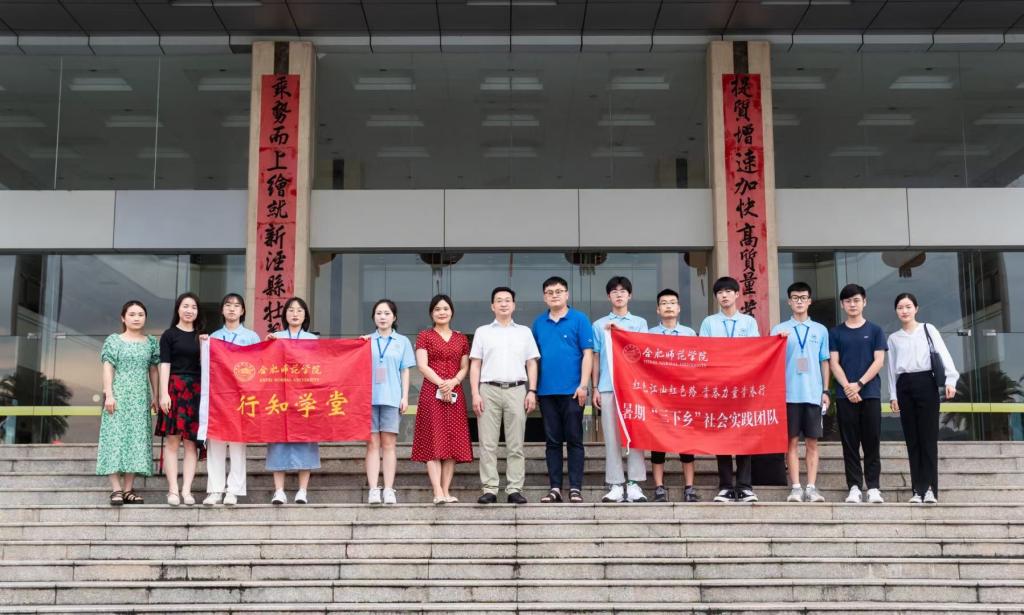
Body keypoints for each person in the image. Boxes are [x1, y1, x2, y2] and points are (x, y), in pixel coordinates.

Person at [470, 287, 540, 505]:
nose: (503, 304)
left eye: (507, 300)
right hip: (488, 390)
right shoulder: (482, 332)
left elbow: (531, 363)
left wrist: (532, 390)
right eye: (499, 300)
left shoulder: (524, 332)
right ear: (492, 306)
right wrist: (475, 393)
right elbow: (475, 364)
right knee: (487, 444)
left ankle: (514, 489)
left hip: (517, 390)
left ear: (514, 305)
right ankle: (490, 488)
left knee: (516, 444)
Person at [887, 292, 959, 504]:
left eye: (908, 306)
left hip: (926, 383)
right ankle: (917, 490)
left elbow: (943, 354)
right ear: (896, 311)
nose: (904, 311)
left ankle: (930, 490)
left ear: (916, 309)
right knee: (913, 440)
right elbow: (891, 370)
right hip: (904, 386)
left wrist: (951, 380)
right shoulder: (893, 338)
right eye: (900, 307)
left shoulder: (928, 329)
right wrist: (893, 395)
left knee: (928, 438)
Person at [531, 276, 593, 504]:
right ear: (544, 297)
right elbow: (533, 359)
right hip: (546, 392)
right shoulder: (538, 323)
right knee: (552, 442)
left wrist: (584, 385)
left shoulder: (579, 319)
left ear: (567, 294)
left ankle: (575, 488)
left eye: (559, 291)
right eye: (550, 292)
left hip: (573, 392)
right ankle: (555, 488)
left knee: (575, 440)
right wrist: (533, 389)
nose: (554, 295)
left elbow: (588, 354)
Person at [699, 276, 760, 503]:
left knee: (744, 434)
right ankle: (725, 486)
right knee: (721, 435)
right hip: (718, 388)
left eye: (728, 291)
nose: (724, 296)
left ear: (737, 294)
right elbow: (703, 352)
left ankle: (744, 486)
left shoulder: (748, 322)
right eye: (719, 292)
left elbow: (757, 350)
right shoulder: (709, 323)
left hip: (743, 387)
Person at [771, 282, 831, 503]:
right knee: (792, 442)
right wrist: (778, 342)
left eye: (803, 297)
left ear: (809, 301)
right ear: (789, 301)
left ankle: (811, 487)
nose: (799, 301)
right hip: (788, 395)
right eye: (795, 298)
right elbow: (771, 361)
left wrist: (825, 390)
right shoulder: (779, 330)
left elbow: (825, 361)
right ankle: (796, 487)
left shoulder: (820, 330)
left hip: (813, 394)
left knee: (812, 443)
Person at [97, 300, 160, 506]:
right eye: (132, 314)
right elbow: (108, 367)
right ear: (123, 318)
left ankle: (128, 490)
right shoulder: (114, 341)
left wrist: (155, 396)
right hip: (118, 397)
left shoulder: (151, 342)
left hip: (140, 399)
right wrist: (109, 394)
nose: (136, 318)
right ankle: (116, 489)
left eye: (140, 314)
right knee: (114, 439)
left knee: (136, 440)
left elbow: (153, 370)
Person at [592, 276, 649, 503]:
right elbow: (596, 357)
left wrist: (619, 330)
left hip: (633, 387)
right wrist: (595, 387)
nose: (619, 294)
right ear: (609, 296)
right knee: (611, 436)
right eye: (614, 291)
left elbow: (642, 350)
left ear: (630, 295)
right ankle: (615, 483)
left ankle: (634, 483)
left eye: (623, 291)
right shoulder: (599, 324)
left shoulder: (640, 323)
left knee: (635, 435)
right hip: (608, 386)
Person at [829, 283, 887, 504]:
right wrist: (848, 387)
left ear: (864, 302)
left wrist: (859, 384)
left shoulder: (875, 330)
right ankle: (854, 487)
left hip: (869, 393)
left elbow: (879, 361)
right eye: (848, 301)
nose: (852, 304)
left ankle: (873, 487)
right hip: (845, 396)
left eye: (856, 300)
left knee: (872, 441)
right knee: (849, 443)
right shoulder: (835, 332)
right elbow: (834, 363)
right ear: (842, 305)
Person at [412, 294, 473, 505]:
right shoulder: (425, 336)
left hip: (455, 394)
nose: (442, 312)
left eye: (445, 308)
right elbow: (422, 365)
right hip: (432, 392)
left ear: (452, 312)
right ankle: (437, 490)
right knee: (433, 440)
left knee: (452, 442)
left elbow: (465, 366)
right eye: (437, 309)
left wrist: (453, 381)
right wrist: (442, 383)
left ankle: (446, 490)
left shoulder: (461, 339)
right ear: (431, 313)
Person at [202, 293, 261, 507]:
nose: (232, 309)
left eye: (237, 306)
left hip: (241, 397)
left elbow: (258, 365)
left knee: (237, 446)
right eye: (228, 305)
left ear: (243, 311)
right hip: (218, 397)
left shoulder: (251, 337)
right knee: (216, 444)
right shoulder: (213, 337)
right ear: (222, 310)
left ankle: (233, 490)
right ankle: (215, 490)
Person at [265, 297, 320, 505]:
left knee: (306, 442)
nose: (295, 314)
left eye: (299, 310)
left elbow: (321, 367)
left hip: (305, 398)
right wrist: (266, 345)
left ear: (305, 315)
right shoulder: (276, 337)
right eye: (291, 310)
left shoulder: (312, 339)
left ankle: (302, 491)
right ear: (285, 314)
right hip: (280, 398)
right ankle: (279, 491)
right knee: (277, 442)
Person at [648, 288, 700, 503]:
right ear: (658, 310)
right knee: (657, 443)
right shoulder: (648, 335)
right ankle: (659, 487)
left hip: (683, 396)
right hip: (657, 397)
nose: (668, 306)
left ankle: (689, 487)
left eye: (672, 303)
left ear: (679, 308)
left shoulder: (690, 334)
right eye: (664, 303)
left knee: (686, 443)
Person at [365, 299, 416, 506]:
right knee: (372, 445)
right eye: (378, 313)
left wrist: (404, 397)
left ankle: (388, 488)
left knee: (389, 445)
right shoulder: (366, 340)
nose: (382, 317)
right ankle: (373, 489)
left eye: (387, 313)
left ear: (394, 317)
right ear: (373, 317)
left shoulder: (402, 341)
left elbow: (405, 371)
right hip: (368, 398)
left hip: (392, 398)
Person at [158, 292, 205, 507]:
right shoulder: (169, 335)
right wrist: (163, 393)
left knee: (191, 444)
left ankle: (186, 490)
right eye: (185, 306)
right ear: (178, 309)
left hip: (196, 391)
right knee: (172, 441)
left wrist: (206, 344)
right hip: (174, 389)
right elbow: (164, 364)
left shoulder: (202, 336)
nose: (189, 310)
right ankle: (173, 491)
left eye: (193, 307)